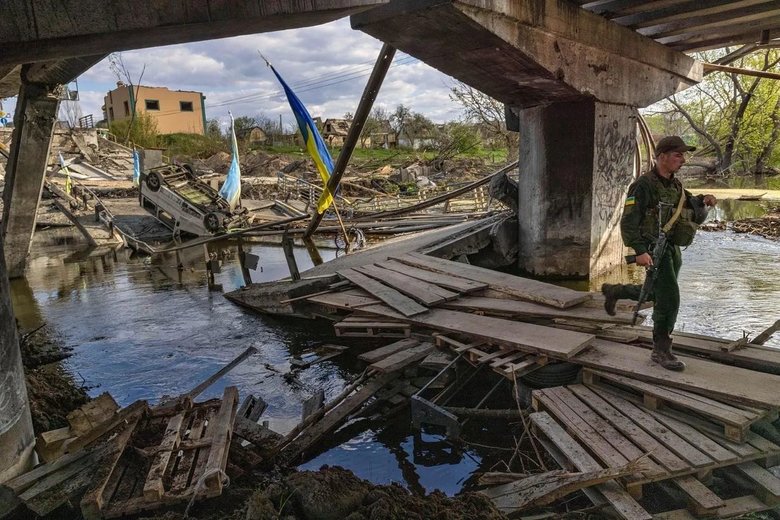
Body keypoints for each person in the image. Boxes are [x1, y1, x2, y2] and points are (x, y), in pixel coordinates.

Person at [601, 136, 717, 371]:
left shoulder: (675, 184)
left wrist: (703, 199)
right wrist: (640, 250)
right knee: (669, 297)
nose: (683, 160)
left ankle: (615, 291)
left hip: (672, 249)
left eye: (683, 155)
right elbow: (629, 221)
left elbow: (685, 202)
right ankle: (661, 351)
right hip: (654, 249)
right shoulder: (643, 185)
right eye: (678, 155)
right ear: (662, 156)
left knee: (656, 292)